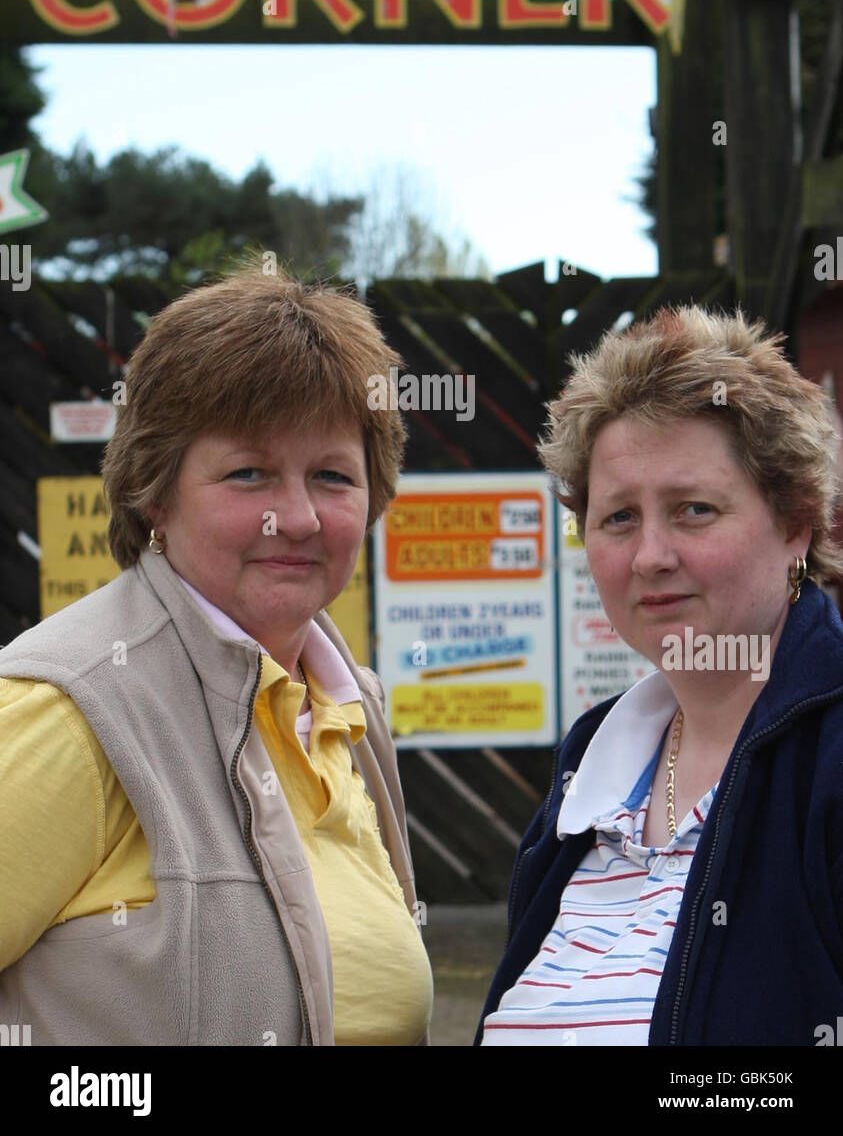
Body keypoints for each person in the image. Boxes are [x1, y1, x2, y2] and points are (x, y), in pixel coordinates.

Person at [0, 258, 432, 1046]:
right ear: (155, 490)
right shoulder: (68, 710)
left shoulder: (346, 708)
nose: (296, 517)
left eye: (333, 475)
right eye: (249, 474)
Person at [479, 304, 843, 1046]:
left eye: (693, 510)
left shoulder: (829, 755)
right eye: (617, 518)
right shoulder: (593, 762)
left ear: (796, 523)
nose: (649, 556)